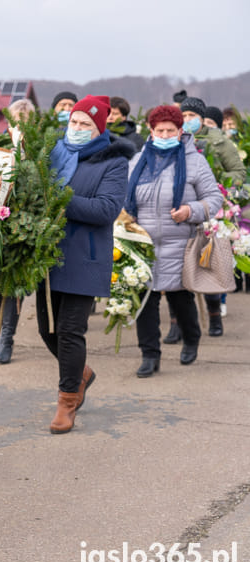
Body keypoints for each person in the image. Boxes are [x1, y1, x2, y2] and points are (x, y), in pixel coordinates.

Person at [43, 95, 133, 434]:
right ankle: (81, 373)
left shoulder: (112, 161)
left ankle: (68, 399)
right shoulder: (54, 153)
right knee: (46, 329)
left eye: (85, 124)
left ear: (99, 129)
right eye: (74, 122)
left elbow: (106, 210)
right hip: (48, 254)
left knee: (69, 330)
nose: (77, 129)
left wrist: (60, 198)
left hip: (85, 255)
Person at [125, 105, 221, 377]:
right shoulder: (139, 160)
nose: (165, 134)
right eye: (159, 130)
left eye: (170, 130)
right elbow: (125, 198)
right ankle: (149, 354)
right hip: (143, 245)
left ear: (181, 132)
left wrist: (191, 211)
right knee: (145, 301)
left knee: (181, 299)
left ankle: (191, 339)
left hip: (180, 244)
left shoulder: (194, 161)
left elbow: (214, 199)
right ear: (151, 132)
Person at [180, 97, 244, 337]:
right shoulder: (172, 139)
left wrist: (221, 188)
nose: (187, 121)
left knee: (210, 262)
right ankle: (179, 322)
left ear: (201, 118)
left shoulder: (219, 142)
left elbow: (238, 172)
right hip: (182, 209)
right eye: (183, 116)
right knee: (180, 265)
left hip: (210, 208)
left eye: (192, 117)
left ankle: (215, 315)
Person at [0, 97, 36, 364]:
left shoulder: (38, 147)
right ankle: (3, 324)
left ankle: (6, 338)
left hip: (26, 222)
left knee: (14, 287)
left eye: (25, 120)